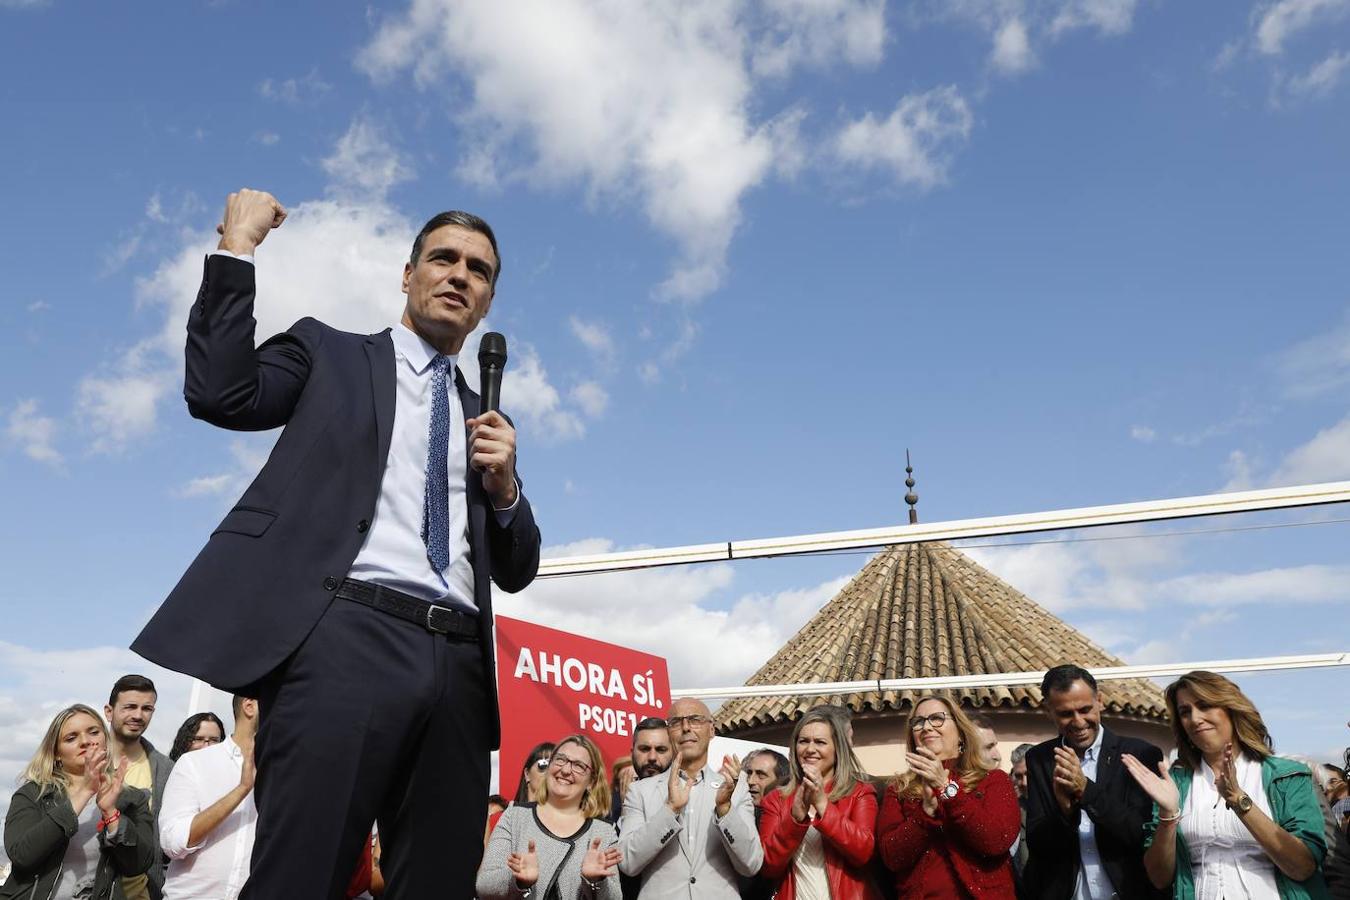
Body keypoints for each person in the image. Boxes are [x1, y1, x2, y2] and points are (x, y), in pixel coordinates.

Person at [131, 190, 543, 898]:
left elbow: (517, 569)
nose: (458, 275)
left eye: (478, 271)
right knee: (304, 873)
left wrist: (506, 490)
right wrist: (237, 250)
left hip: (461, 666)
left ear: (487, 302)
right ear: (407, 274)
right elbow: (221, 393)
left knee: (440, 883)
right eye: (443, 258)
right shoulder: (333, 353)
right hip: (347, 634)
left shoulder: (484, 420)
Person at [1124, 670, 1331, 899]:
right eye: (1185, 712)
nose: (1195, 718)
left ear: (1231, 709)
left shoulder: (1285, 776)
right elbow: (1159, 878)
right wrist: (1168, 816)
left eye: (1205, 705)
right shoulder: (1177, 784)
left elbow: (1303, 867)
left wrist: (1239, 800)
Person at [1022, 663, 1166, 900]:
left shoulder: (1139, 754)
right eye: (1066, 714)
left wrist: (1086, 790)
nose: (1078, 722)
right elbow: (1038, 844)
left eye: (1085, 709)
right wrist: (1065, 812)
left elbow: (1139, 833)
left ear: (1099, 700)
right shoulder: (1040, 760)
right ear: (1049, 711)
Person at [0, 704, 156, 899]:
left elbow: (138, 865)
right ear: (56, 752)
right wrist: (85, 792)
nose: (85, 741)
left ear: (105, 741)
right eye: (71, 738)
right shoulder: (33, 794)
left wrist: (111, 813)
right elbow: (22, 856)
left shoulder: (131, 798)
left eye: (93, 732)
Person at [877, 695, 1019, 898]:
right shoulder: (900, 789)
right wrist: (924, 815)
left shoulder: (992, 780)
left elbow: (996, 840)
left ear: (961, 733)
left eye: (937, 718)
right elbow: (892, 857)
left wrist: (947, 789)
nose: (926, 727)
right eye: (918, 722)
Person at [618, 698, 762, 898]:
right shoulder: (640, 791)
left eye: (695, 720)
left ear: (711, 730)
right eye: (676, 722)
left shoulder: (735, 787)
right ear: (669, 733)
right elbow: (627, 862)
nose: (686, 728)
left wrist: (725, 809)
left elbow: (752, 864)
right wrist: (669, 810)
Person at [477, 735, 623, 899]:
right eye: (560, 760)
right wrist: (518, 881)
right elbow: (484, 885)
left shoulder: (603, 832)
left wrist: (596, 881)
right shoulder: (515, 815)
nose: (566, 770)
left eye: (579, 766)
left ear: (592, 781)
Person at [758, 708, 880, 900]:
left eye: (820, 742)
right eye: (803, 741)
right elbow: (767, 865)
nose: (810, 749)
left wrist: (823, 804)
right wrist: (795, 819)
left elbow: (863, 853)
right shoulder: (775, 799)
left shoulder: (860, 792)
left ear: (837, 749)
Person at [158, 696, 260, 900]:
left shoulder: (285, 771)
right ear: (249, 706)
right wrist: (242, 789)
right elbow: (173, 843)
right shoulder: (194, 763)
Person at [105, 675, 173, 900]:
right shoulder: (81, 761)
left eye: (147, 708)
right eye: (130, 707)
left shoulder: (167, 770)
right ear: (109, 711)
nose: (138, 715)